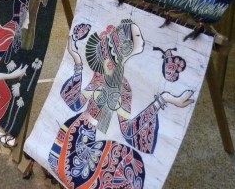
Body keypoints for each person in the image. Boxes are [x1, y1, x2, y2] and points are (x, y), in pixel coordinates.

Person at [49, 19, 194, 188]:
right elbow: (76, 103)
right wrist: (77, 62)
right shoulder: (101, 75)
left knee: (130, 163)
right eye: (138, 35)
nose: (142, 39)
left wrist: (164, 99)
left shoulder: (124, 88)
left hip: (90, 139)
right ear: (126, 46)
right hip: (74, 135)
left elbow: (128, 131)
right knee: (120, 162)